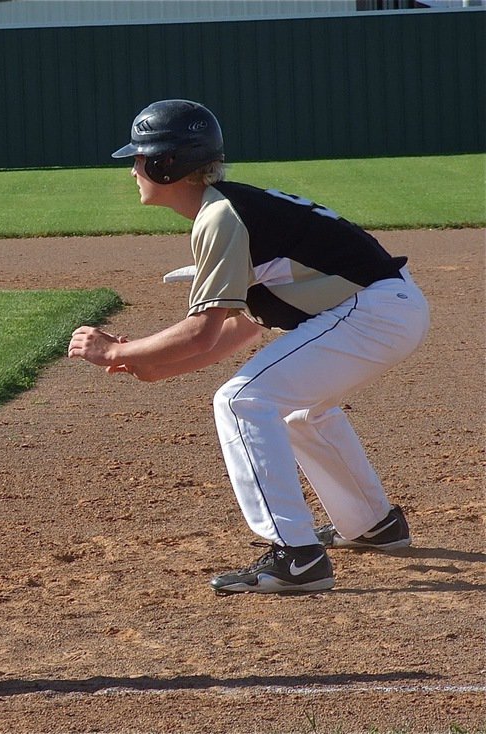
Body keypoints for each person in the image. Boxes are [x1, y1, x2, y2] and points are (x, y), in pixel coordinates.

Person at [69, 99, 429, 595]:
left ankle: (296, 557)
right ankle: (372, 524)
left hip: (371, 313)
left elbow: (202, 330)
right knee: (296, 409)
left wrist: (116, 352)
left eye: (139, 158)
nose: (133, 168)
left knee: (242, 401)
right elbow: (239, 329)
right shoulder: (229, 208)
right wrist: (153, 367)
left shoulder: (221, 217)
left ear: (165, 164)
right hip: (383, 309)